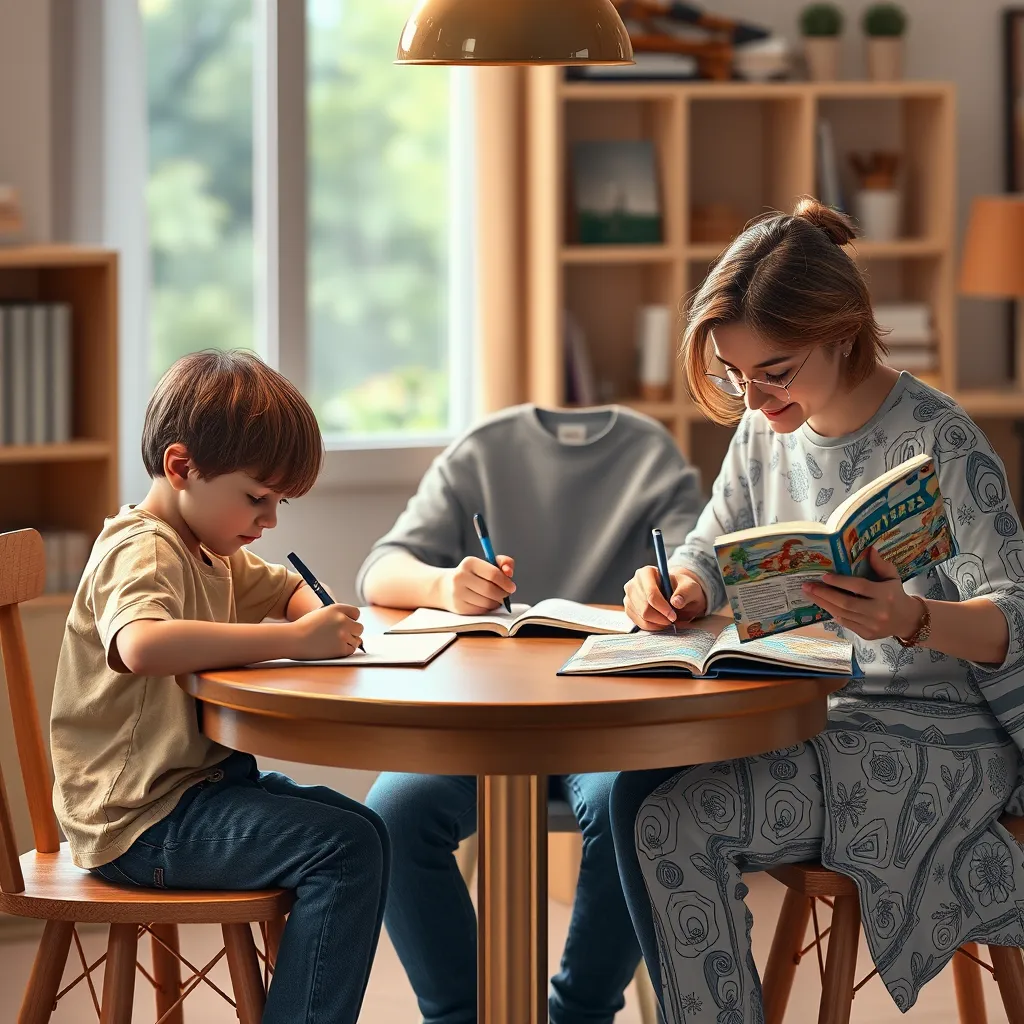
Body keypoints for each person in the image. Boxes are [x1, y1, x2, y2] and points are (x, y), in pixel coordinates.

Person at [610, 198, 1024, 1022]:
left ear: (842, 332)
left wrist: (913, 619)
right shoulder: (767, 430)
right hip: (814, 714)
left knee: (671, 825)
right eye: (736, 374)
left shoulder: (939, 438)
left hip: (944, 737)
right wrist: (681, 586)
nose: (755, 396)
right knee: (638, 795)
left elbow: (1015, 612)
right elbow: (713, 544)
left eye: (775, 370)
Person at [50, 350, 389, 1024]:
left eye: (280, 503)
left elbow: (289, 587)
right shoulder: (141, 547)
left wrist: (309, 616)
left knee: (365, 829)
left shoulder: (213, 552)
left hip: (195, 792)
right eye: (256, 497)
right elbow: (142, 644)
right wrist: (295, 642)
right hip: (137, 819)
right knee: (345, 850)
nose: (268, 521)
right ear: (182, 468)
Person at [357, 403, 704, 1024]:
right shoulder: (480, 451)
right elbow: (380, 569)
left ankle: (581, 1012)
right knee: (390, 816)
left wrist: (673, 591)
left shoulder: (652, 454)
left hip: (610, 727)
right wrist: (443, 586)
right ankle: (463, 1014)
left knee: (637, 810)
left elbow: (696, 568)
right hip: (482, 724)